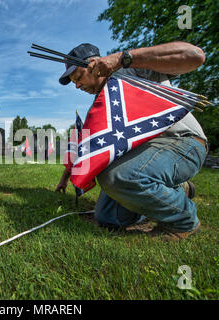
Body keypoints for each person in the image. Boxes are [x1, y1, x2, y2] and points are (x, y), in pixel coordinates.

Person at [55, 42, 208, 241]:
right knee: (108, 217)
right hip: (142, 156)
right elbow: (85, 149)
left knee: (115, 176)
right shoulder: (100, 107)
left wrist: (122, 58)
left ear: (94, 64)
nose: (77, 85)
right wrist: (64, 179)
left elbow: (195, 56)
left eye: (78, 77)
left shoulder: (130, 69)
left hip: (182, 143)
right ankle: (174, 191)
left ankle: (183, 220)